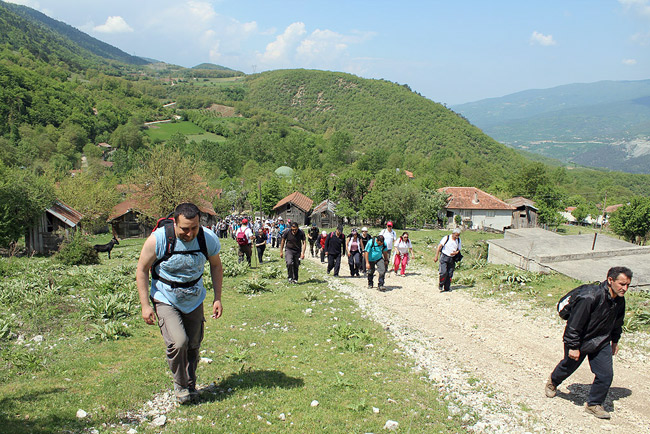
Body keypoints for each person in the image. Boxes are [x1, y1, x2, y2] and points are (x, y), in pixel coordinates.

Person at [136, 203, 223, 404]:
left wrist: (217, 297)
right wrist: (145, 305)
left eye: (194, 228)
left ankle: (191, 385)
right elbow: (142, 269)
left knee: (193, 344)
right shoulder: (158, 239)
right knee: (178, 342)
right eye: (184, 228)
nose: (190, 233)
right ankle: (181, 385)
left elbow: (216, 266)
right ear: (174, 223)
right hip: (166, 296)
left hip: (194, 297)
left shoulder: (207, 238)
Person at [545, 266, 631, 420]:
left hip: (601, 340)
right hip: (580, 340)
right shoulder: (590, 297)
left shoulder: (619, 300)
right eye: (622, 284)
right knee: (568, 366)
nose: (625, 288)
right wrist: (573, 346)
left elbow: (617, 322)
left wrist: (615, 341)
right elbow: (574, 324)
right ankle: (553, 381)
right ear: (610, 280)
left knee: (605, 374)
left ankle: (594, 404)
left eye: (627, 285)